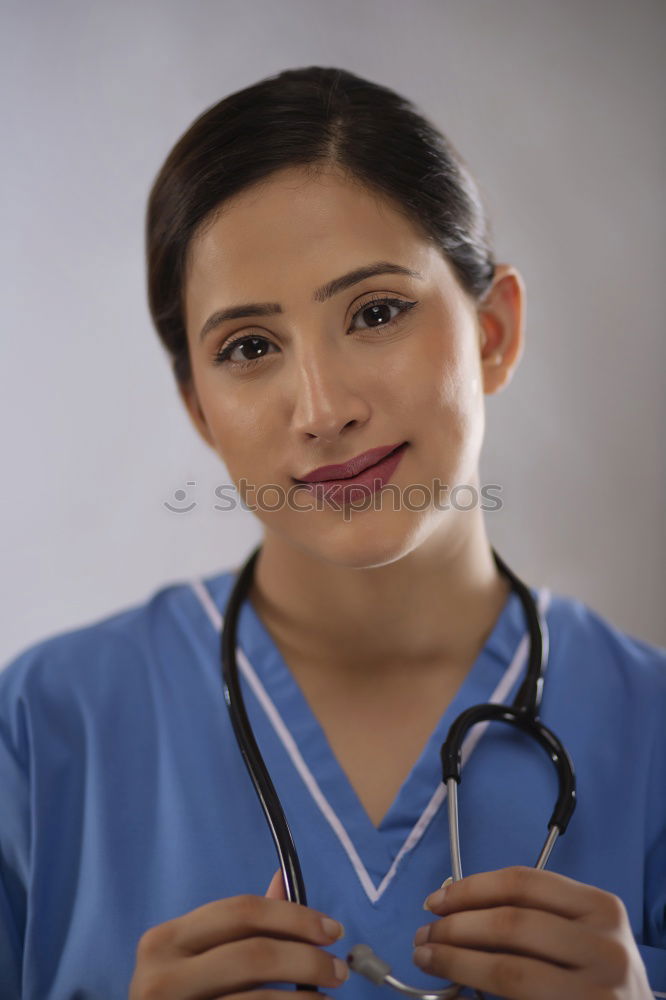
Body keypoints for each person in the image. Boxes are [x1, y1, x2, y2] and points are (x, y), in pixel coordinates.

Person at [0, 66, 664, 1000]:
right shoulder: (42, 731)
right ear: (199, 408)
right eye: (249, 347)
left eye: (377, 313)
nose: (322, 410)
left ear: (494, 331)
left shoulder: (654, 731)